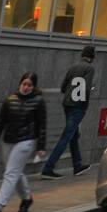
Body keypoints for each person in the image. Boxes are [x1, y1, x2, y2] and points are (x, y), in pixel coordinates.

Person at [0, 72, 47, 212]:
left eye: (29, 85)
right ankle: (26, 198)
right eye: (24, 84)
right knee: (15, 172)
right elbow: (0, 123)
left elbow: (41, 125)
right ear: (20, 84)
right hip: (8, 140)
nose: (26, 87)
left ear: (34, 87)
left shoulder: (38, 102)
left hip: (26, 140)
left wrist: (41, 146)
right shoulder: (9, 100)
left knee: (11, 173)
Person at [41, 46, 96, 179]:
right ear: (92, 57)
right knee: (66, 136)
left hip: (67, 104)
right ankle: (48, 168)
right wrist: (84, 106)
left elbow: (63, 87)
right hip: (78, 106)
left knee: (73, 135)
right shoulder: (89, 68)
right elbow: (86, 88)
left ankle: (77, 165)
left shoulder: (73, 67)